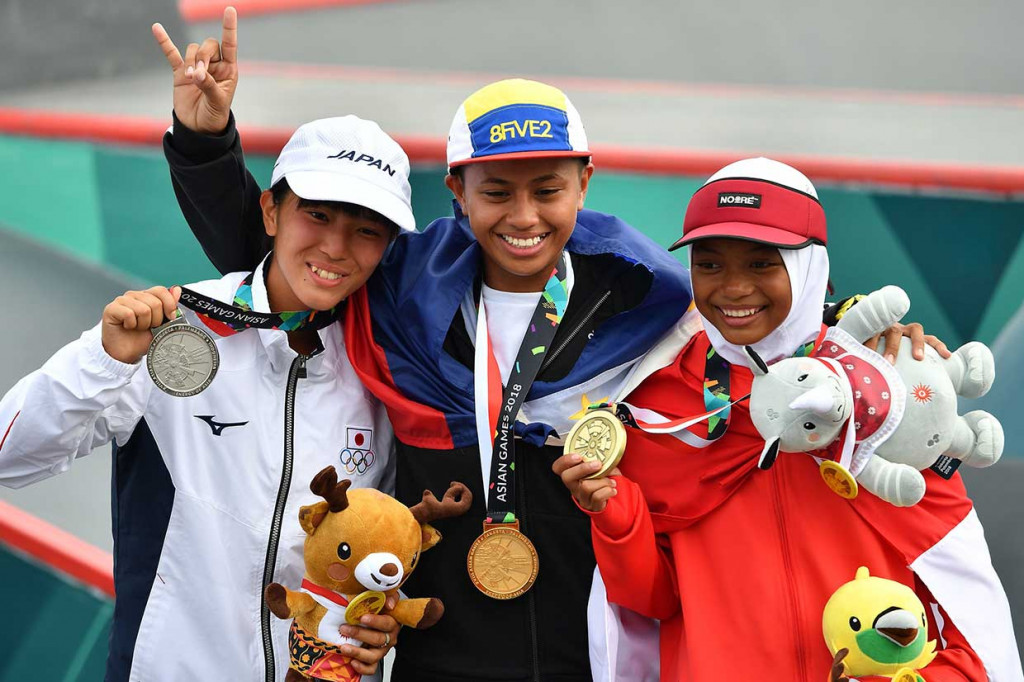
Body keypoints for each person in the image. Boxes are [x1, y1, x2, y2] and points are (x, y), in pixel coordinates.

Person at [155, 11, 691, 680]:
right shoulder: (400, 290)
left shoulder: (648, 299)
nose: (523, 217)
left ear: (584, 182)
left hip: (596, 654)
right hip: (438, 655)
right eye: (495, 192)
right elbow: (290, 265)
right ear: (457, 194)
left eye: (549, 191)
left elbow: (752, 320)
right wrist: (206, 145)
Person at [556, 158, 1022, 681]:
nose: (733, 288)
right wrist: (616, 517)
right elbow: (654, 603)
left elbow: (960, 596)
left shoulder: (883, 387)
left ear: (810, 268)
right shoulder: (658, 408)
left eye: (761, 264)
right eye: (709, 264)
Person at [0, 114, 414, 681]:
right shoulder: (174, 325)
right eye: (316, 214)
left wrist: (379, 627)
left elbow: (378, 552)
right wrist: (104, 359)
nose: (336, 247)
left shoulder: (384, 365)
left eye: (367, 229)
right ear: (271, 211)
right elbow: (9, 455)